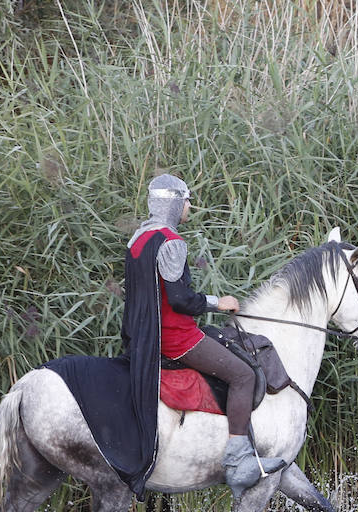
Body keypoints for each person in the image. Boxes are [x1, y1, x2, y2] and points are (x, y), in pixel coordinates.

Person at [122, 173, 285, 494]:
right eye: (186, 200)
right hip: (176, 338)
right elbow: (181, 300)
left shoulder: (137, 239)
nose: (190, 206)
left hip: (143, 337)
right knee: (243, 375)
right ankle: (238, 461)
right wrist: (218, 303)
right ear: (172, 204)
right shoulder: (171, 241)